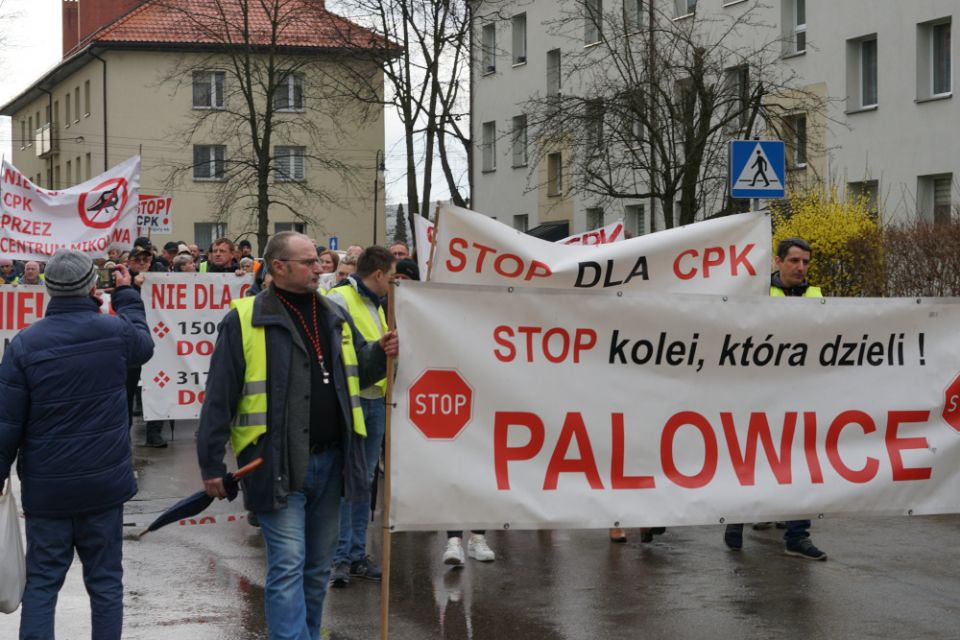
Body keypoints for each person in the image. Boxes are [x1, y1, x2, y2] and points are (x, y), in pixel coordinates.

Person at [197, 231, 398, 639]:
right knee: (287, 565)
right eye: (308, 262)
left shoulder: (331, 313)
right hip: (276, 463)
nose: (319, 268)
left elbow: (361, 366)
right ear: (278, 267)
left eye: (319, 262)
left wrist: (383, 350)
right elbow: (219, 396)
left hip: (332, 462)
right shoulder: (245, 317)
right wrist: (211, 463)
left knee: (316, 568)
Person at [0, 249, 153, 639]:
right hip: (104, 486)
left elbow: (7, 423)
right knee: (104, 583)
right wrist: (127, 294)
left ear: (47, 288)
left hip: (48, 490)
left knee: (42, 583)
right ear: (91, 286)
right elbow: (144, 345)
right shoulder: (114, 332)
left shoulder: (24, 345)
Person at [723, 236, 826, 561]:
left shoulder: (817, 296)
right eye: (794, 261)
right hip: (756, 393)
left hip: (799, 394)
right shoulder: (757, 294)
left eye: (806, 262)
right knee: (750, 459)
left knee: (801, 462)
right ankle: (736, 517)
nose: (801, 267)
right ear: (777, 262)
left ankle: (797, 535)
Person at [325, 246, 396, 586]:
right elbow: (344, 354)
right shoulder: (340, 299)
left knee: (364, 481)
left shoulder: (375, 303)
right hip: (352, 401)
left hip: (374, 398)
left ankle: (355, 554)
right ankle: (339, 557)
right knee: (347, 480)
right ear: (379, 274)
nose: (394, 284)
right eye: (392, 277)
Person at [126, 238, 171, 448]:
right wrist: (133, 287)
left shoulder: (161, 278)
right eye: (138, 259)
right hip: (132, 344)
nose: (143, 262)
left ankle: (154, 432)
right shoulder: (122, 279)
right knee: (126, 390)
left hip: (158, 342)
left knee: (157, 387)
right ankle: (123, 433)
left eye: (146, 258)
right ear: (130, 261)